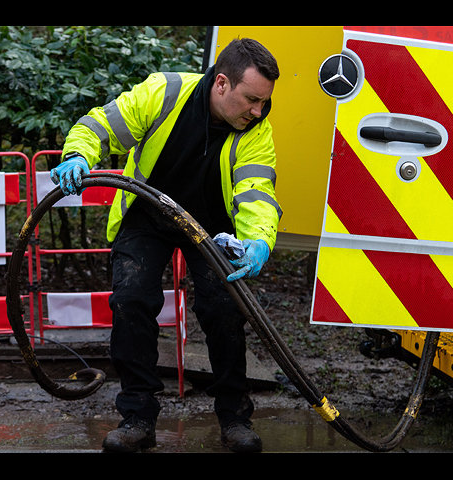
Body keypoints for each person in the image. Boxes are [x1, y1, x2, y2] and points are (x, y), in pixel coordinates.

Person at [51, 37, 282, 453]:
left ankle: (234, 419)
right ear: (222, 84)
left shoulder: (256, 131)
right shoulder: (164, 92)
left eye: (263, 103)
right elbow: (99, 125)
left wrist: (258, 242)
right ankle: (137, 418)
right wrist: (79, 154)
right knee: (132, 299)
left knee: (224, 309)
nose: (258, 111)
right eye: (251, 100)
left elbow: (256, 193)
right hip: (147, 215)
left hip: (210, 227)